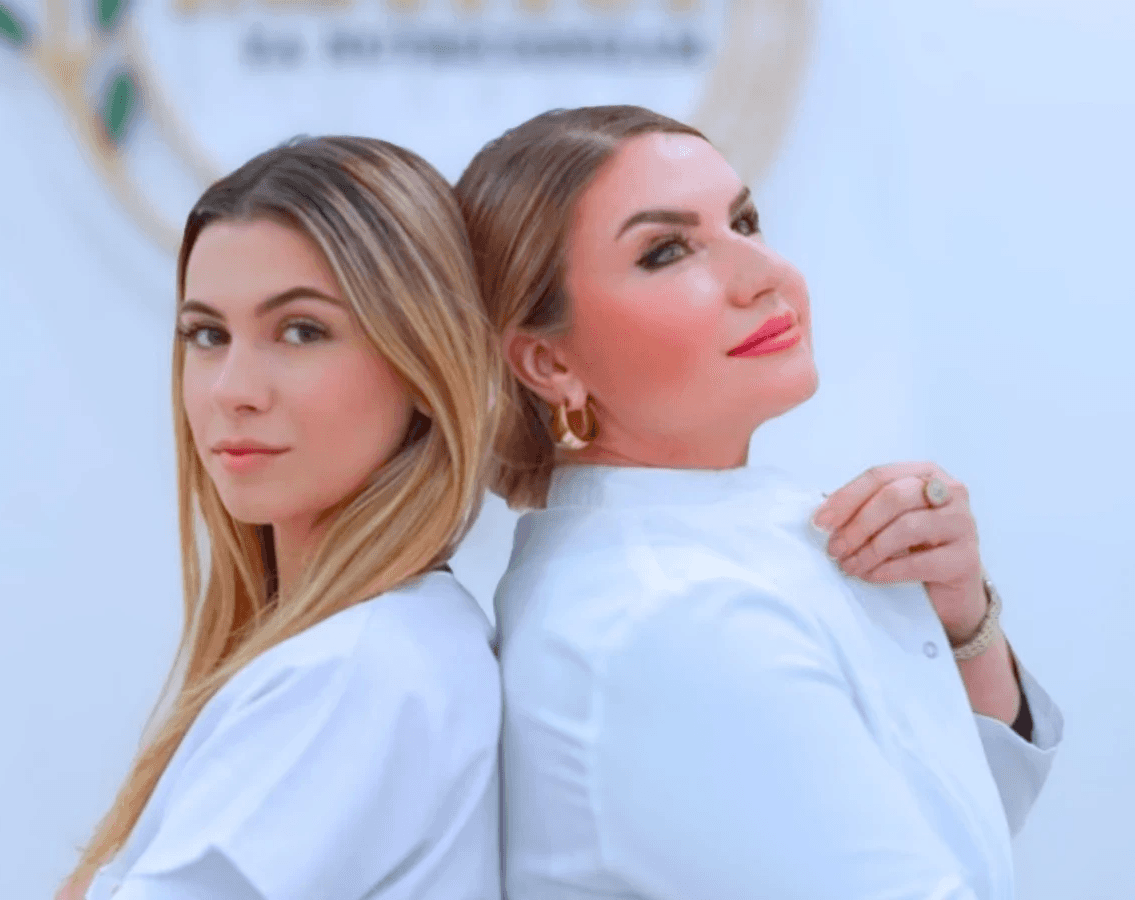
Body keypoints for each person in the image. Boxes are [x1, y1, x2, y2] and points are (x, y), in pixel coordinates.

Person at [454, 105, 1063, 899]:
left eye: (743, 221)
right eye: (666, 250)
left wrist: (960, 622)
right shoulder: (674, 617)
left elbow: (950, 824)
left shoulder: (703, 547)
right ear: (547, 360)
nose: (765, 273)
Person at [59, 136, 504, 900]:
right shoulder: (387, 648)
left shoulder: (352, 673)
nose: (233, 389)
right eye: (207, 335)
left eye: (301, 331)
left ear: (430, 365)